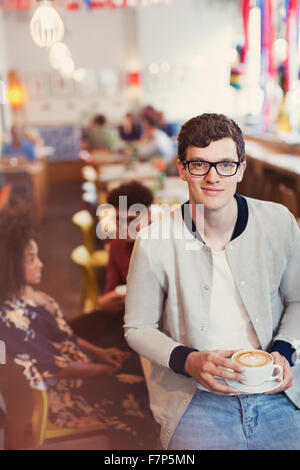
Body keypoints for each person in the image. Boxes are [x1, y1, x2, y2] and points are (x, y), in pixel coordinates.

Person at [124, 113, 300, 450]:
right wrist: (188, 360)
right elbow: (138, 327)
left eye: (225, 165)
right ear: (181, 168)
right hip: (195, 401)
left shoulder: (279, 222)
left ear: (242, 169)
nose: (213, 177)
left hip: (280, 390)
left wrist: (284, 348)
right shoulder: (154, 239)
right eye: (199, 165)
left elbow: (298, 299)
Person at [0, 202, 157, 449]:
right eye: (31, 260)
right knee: (147, 393)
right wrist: (102, 369)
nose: (40, 264)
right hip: (67, 396)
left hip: (81, 368)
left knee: (137, 364)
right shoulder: (11, 319)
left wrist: (100, 354)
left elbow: (65, 337)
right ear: (9, 265)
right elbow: (57, 368)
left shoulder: (28, 294)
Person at [71, 180, 153, 346]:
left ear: (149, 215)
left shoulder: (164, 245)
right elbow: (111, 290)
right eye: (118, 220)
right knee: (68, 333)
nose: (123, 227)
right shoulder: (117, 244)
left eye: (131, 220)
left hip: (152, 326)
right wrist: (104, 302)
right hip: (124, 316)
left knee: (98, 348)